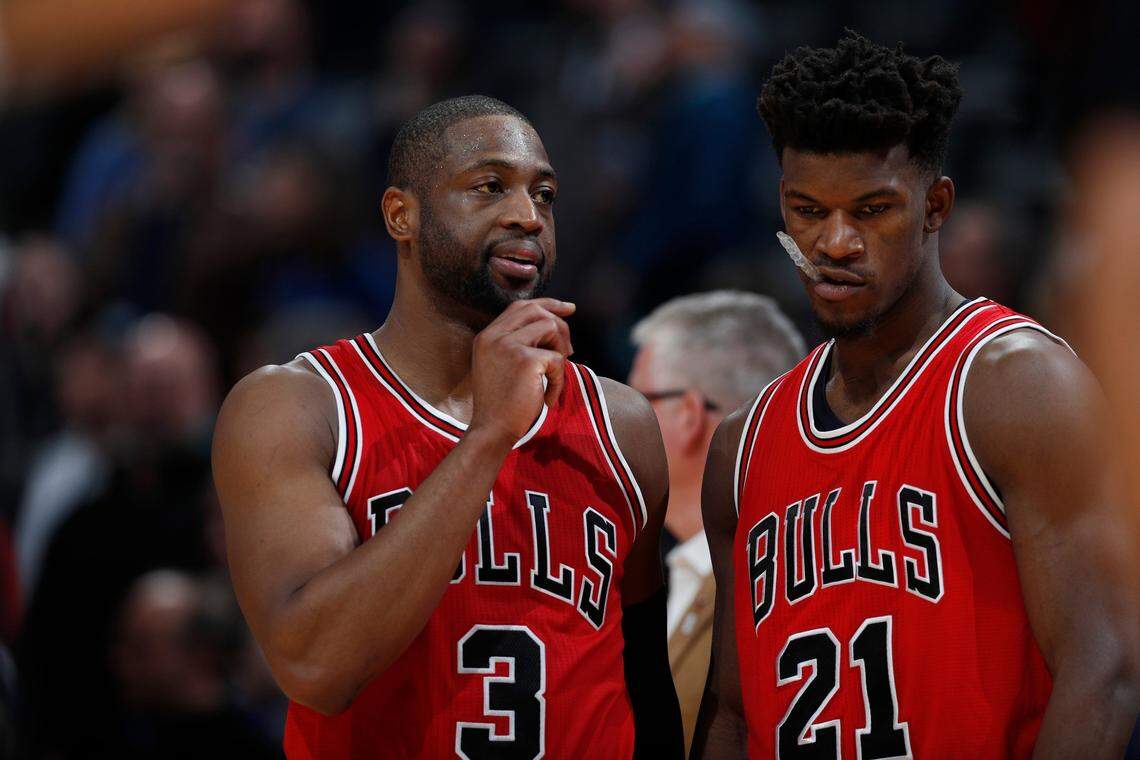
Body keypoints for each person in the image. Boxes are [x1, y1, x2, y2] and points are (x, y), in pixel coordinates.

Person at [692, 31, 1139, 758]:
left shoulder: (1015, 385)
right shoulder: (741, 448)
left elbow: (1105, 670)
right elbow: (730, 719)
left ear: (935, 205)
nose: (834, 242)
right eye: (808, 211)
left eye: (871, 211)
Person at [212, 95, 684, 758]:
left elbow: (646, 686)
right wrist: (488, 435)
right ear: (401, 215)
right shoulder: (299, 407)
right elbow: (315, 665)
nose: (527, 215)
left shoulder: (622, 426)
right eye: (490, 187)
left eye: (544, 195)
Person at [627, 290, 803, 753]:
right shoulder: (663, 571)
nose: (616, 425)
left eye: (634, 402)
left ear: (686, 415)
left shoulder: (772, 587)